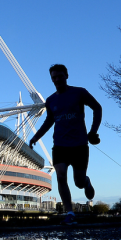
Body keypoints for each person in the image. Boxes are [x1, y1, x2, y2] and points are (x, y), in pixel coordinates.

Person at [29, 64, 102, 225]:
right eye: (54, 77)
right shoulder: (50, 100)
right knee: (61, 176)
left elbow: (97, 107)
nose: (57, 80)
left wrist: (93, 131)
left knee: (78, 182)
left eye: (60, 76)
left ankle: (86, 181)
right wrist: (36, 137)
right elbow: (49, 121)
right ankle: (70, 213)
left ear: (66, 76)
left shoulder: (79, 92)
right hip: (60, 145)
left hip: (79, 145)